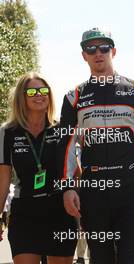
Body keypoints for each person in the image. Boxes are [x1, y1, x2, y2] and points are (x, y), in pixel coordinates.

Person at [58, 27, 134, 264]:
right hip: (94, 192)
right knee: (101, 259)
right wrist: (68, 188)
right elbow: (67, 148)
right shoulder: (74, 98)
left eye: (104, 47)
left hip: (131, 190)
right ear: (84, 55)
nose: (98, 53)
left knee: (131, 258)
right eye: (91, 48)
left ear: (114, 51)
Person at [0, 72, 77, 264]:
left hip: (60, 212)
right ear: (21, 97)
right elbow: (3, 179)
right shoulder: (7, 132)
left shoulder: (61, 129)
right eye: (32, 91)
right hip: (24, 213)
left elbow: (75, 172)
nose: (39, 95)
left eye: (43, 90)